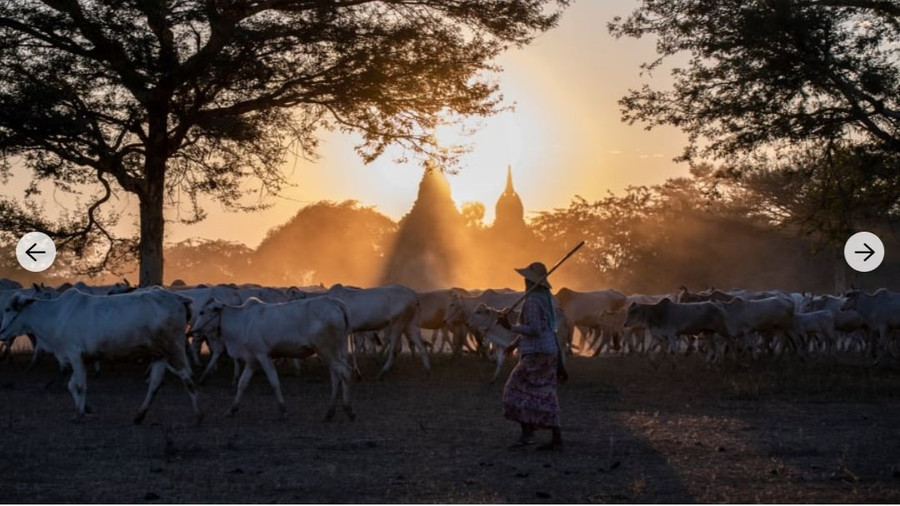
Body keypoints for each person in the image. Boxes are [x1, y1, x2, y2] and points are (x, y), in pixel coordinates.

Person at [497, 261, 564, 450]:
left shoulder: (533, 301)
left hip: (536, 354)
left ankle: (527, 433)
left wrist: (509, 327)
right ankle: (555, 437)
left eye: (527, 278)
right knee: (546, 392)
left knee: (513, 389)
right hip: (549, 350)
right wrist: (515, 343)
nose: (525, 281)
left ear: (530, 280)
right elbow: (544, 328)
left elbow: (534, 329)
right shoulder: (547, 298)